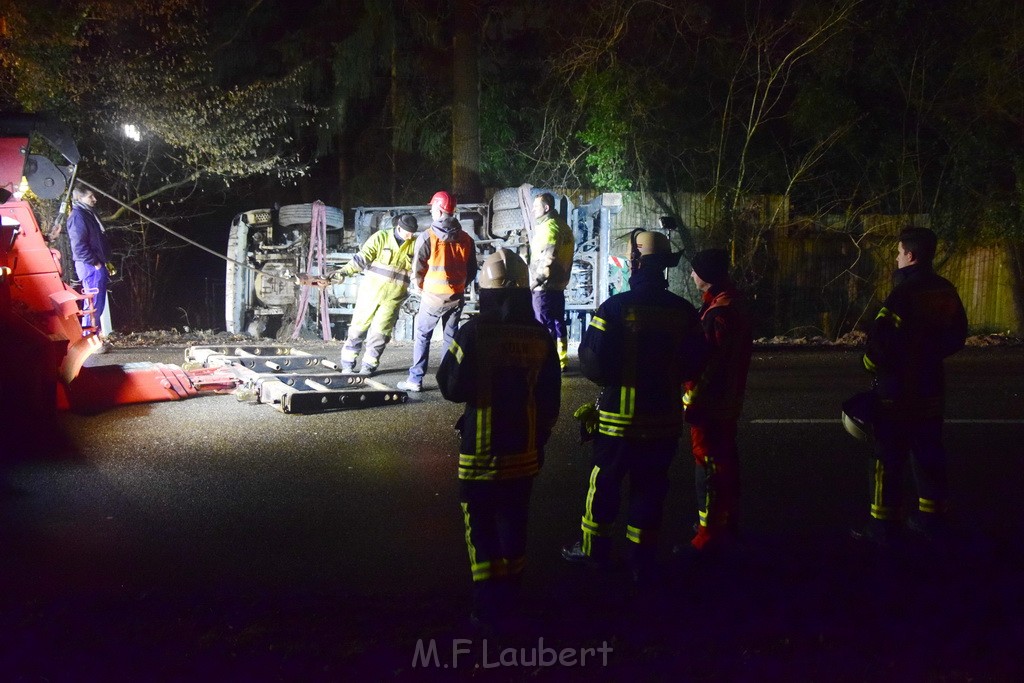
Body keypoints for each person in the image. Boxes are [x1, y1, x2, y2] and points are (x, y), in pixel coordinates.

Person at [562, 230, 708, 582]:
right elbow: (695, 363)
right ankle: (641, 561)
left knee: (605, 485)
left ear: (635, 262)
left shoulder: (615, 308)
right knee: (650, 489)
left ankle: (594, 551)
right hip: (664, 422)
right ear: (664, 268)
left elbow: (593, 362)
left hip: (617, 423)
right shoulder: (684, 312)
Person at [437, 248, 561, 628]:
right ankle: (513, 596)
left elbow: (450, 387)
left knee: (481, 523)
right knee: (514, 521)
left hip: (481, 451)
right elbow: (549, 398)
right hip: (524, 450)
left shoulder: (473, 333)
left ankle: (488, 604)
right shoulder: (540, 336)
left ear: (486, 291)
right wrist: (539, 442)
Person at [850, 226, 968, 546]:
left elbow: (880, 345)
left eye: (899, 251)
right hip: (931, 389)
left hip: (897, 392)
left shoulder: (903, 294)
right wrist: (928, 357)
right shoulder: (945, 289)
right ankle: (933, 520)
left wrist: (872, 367)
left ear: (911, 256)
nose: (896, 256)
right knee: (928, 453)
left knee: (886, 458)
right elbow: (957, 335)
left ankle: (883, 527)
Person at [681, 248, 753, 553]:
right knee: (725, 462)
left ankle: (707, 536)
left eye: (695, 271)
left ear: (706, 278)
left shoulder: (717, 313)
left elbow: (709, 365)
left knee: (709, 466)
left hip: (709, 406)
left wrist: (691, 401)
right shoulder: (733, 304)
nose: (691, 275)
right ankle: (726, 522)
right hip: (728, 401)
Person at [397, 191, 477, 393]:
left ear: (440, 210)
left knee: (423, 336)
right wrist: (459, 287)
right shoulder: (466, 239)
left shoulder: (427, 237)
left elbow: (417, 269)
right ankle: (446, 381)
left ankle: (415, 379)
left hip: (432, 298)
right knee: (450, 338)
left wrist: (422, 287)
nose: (431, 210)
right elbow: (472, 270)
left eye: (433, 207)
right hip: (456, 297)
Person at [326, 213, 419, 375]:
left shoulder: (415, 244)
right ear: (398, 228)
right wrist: (343, 272)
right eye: (407, 233)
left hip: (393, 299)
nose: (409, 236)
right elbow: (361, 259)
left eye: (412, 233)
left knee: (380, 333)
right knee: (357, 329)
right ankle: (348, 364)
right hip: (370, 294)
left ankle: (368, 366)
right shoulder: (381, 238)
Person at [528, 192, 575, 370]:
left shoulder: (549, 228)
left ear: (546, 208)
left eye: (536, 206)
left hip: (544, 286)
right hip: (559, 284)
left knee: (542, 324)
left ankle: (545, 361)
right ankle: (561, 360)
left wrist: (534, 283)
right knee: (557, 322)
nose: (532, 209)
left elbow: (548, 259)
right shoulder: (564, 227)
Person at [66, 185, 111, 337]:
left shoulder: (87, 214)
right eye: (90, 196)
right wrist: (96, 263)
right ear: (79, 198)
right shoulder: (78, 216)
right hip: (90, 266)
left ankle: (93, 336)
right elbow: (79, 246)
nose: (94, 199)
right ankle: (90, 337)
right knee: (93, 303)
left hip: (94, 264)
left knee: (97, 303)